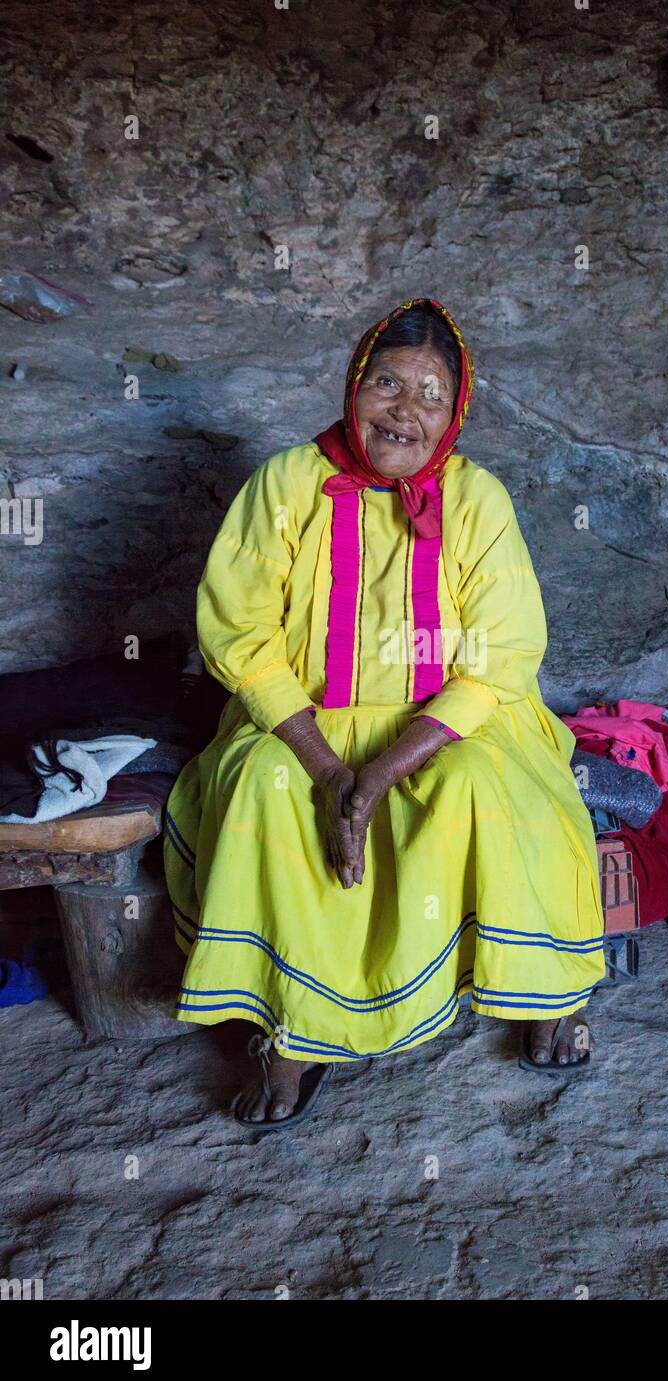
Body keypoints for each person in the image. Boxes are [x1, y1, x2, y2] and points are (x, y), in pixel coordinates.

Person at [163, 297, 604, 1129]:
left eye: (431, 395)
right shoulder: (287, 482)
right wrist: (332, 771)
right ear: (352, 387)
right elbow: (238, 629)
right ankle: (293, 1032)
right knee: (263, 784)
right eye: (388, 384)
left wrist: (385, 770)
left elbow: (505, 652)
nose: (407, 410)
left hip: (450, 718)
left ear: (454, 414)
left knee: (487, 782)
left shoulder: (477, 498)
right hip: (301, 720)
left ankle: (545, 991)